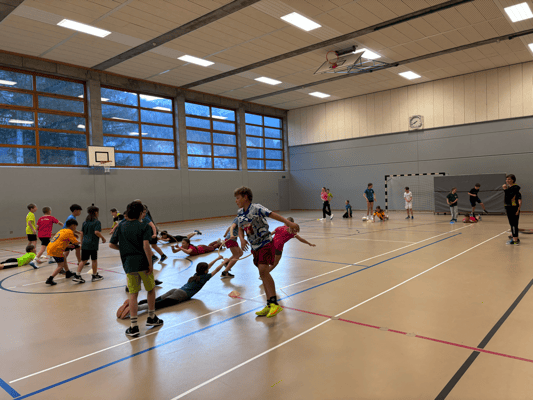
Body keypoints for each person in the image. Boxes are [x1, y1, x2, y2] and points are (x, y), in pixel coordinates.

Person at [235, 186, 300, 318]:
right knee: (263, 273)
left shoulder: (257, 208)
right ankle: (269, 304)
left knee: (263, 270)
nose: (236, 201)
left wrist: (288, 223)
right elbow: (240, 228)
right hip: (254, 246)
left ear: (245, 197)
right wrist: (241, 239)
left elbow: (273, 215)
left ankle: (275, 304)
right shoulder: (240, 212)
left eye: (238, 198)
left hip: (265, 243)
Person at [109, 202, 163, 337]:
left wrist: (124, 249)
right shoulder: (144, 226)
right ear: (140, 213)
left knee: (133, 294)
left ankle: (133, 327)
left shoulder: (121, 225)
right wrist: (150, 264)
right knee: (150, 290)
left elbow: (111, 244)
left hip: (129, 265)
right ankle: (152, 317)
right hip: (143, 263)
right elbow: (146, 246)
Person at [116, 256, 226, 319]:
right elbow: (216, 270)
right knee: (157, 305)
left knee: (156, 300)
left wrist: (217, 258)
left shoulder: (197, 274)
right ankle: (135, 308)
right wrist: (224, 262)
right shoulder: (205, 277)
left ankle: (135, 303)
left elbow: (208, 266)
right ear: (205, 270)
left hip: (176, 290)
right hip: (180, 296)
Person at [73, 206, 106, 283]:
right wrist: (103, 238)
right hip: (92, 244)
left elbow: (81, 233)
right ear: (96, 212)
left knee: (83, 260)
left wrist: (81, 242)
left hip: (85, 243)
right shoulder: (97, 222)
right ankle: (94, 275)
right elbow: (96, 232)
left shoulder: (85, 222)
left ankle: (77, 275)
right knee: (94, 260)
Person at [45, 220, 79, 285]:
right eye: (75, 226)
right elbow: (75, 242)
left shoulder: (62, 230)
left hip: (51, 247)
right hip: (56, 249)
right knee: (60, 265)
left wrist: (68, 245)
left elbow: (60, 241)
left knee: (64, 257)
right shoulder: (69, 232)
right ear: (72, 225)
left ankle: (68, 272)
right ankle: (50, 279)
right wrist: (84, 242)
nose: (75, 228)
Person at [503, 174, 521, 245]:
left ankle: (515, 241)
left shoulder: (515, 187)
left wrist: (505, 189)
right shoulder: (510, 188)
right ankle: (515, 238)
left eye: (509, 179)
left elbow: (510, 196)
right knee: (512, 224)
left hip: (513, 208)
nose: (507, 180)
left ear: (513, 180)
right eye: (507, 179)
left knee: (514, 224)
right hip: (508, 207)